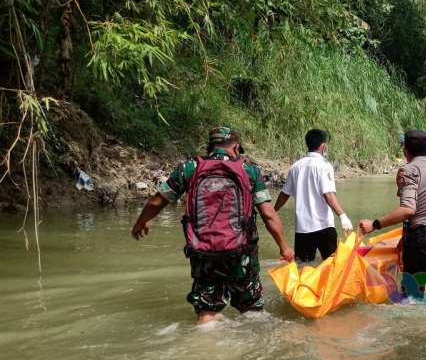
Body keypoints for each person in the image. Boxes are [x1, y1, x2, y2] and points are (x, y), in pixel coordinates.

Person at [131, 127, 294, 324]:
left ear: (209, 147)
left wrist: (141, 222)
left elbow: (157, 201)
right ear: (236, 148)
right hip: (241, 253)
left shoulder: (189, 169)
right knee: (251, 308)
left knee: (207, 309)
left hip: (204, 253)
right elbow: (268, 215)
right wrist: (284, 248)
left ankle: (205, 348)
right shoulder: (249, 171)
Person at [358, 130, 426, 310]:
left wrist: (373, 225)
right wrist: (404, 239)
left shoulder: (409, 171)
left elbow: (408, 209)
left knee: (412, 302)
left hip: (423, 241)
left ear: (405, 150)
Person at [274, 129, 353, 263]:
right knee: (331, 265)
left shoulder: (296, 167)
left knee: (303, 267)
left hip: (303, 228)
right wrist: (342, 215)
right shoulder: (324, 166)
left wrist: (273, 212)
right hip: (324, 226)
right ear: (323, 146)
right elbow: (328, 194)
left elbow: (284, 194)